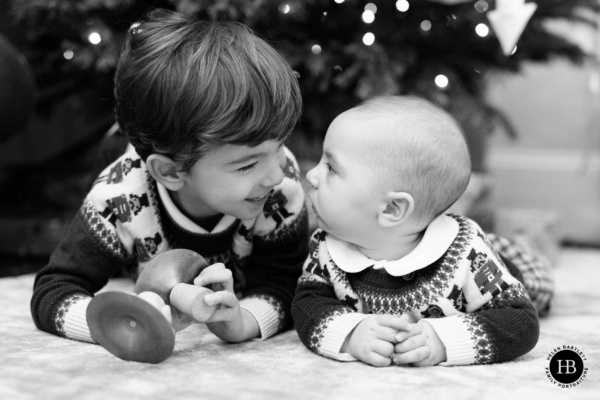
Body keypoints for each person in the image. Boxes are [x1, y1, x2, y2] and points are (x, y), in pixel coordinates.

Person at [31, 9, 309, 344]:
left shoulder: (280, 190)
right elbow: (54, 291)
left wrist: (242, 322)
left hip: (172, 158)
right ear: (171, 172)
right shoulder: (118, 200)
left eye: (280, 144)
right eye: (248, 165)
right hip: (136, 166)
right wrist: (121, 318)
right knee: (122, 146)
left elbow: (283, 283)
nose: (276, 174)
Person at [292, 95, 552, 367]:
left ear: (392, 209)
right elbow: (307, 303)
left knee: (536, 283)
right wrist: (350, 333)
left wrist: (443, 340)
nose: (311, 175)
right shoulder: (326, 244)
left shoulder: (468, 253)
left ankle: (517, 251)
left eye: (331, 167)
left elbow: (520, 321)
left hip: (493, 264)